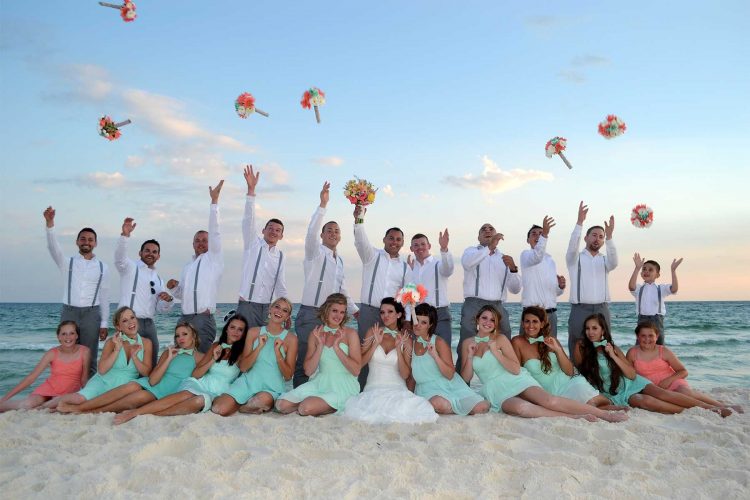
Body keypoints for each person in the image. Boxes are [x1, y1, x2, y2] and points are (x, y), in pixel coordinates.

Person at [461, 305, 625, 421]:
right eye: (484, 318)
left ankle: (603, 415)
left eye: (492, 320)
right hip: (494, 390)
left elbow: (516, 369)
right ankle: (575, 417)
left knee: (550, 401)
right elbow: (465, 377)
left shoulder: (501, 339)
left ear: (496, 324)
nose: (487, 322)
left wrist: (496, 352)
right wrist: (469, 356)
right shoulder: (467, 343)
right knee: (522, 409)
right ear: (477, 319)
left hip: (516, 380)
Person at [574, 314, 731, 415]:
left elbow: (631, 374)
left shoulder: (612, 347)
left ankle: (712, 409)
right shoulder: (580, 347)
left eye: (595, 328)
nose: (590, 332)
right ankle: (692, 411)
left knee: (664, 394)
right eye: (587, 328)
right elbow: (579, 374)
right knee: (646, 402)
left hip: (630, 382)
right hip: (613, 393)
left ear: (603, 330)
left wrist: (613, 356)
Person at [114, 315, 247, 424]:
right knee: (186, 394)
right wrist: (213, 358)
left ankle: (152, 413)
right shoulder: (216, 346)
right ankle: (135, 413)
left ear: (244, 334)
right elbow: (196, 374)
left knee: (199, 401)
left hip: (217, 391)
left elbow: (246, 372)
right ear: (226, 329)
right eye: (232, 327)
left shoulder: (243, 353)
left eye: (240, 330)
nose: (235, 332)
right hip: (200, 383)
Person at [57, 322, 202, 414]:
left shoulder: (199, 357)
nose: (180, 338)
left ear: (193, 336)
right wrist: (169, 358)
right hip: (153, 383)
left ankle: (86, 410)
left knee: (138, 398)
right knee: (131, 386)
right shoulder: (169, 352)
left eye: (184, 334)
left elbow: (198, 379)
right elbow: (152, 381)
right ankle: (82, 407)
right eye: (177, 335)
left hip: (168, 391)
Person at [294, 182, 358, 387]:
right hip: (310, 313)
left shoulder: (339, 260)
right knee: (306, 357)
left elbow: (343, 289)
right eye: (329, 230)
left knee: (326, 359)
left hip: (331, 318)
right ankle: (299, 394)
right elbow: (310, 233)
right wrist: (322, 205)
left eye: (337, 231)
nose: (333, 233)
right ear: (322, 235)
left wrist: (355, 310)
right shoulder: (314, 253)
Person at [339, 298, 438, 423]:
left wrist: (398, 348)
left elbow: (405, 374)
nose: (385, 315)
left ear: (399, 314)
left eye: (390, 312)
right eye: (382, 312)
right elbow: (359, 365)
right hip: (373, 389)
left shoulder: (406, 338)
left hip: (397, 389)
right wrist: (375, 344)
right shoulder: (373, 332)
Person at [512, 306, 624, 410]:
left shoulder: (551, 341)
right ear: (522, 323)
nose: (531, 325)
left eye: (535, 321)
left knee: (583, 391)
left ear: (542, 324)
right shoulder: (517, 342)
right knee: (587, 403)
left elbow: (570, 371)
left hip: (569, 382)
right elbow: (516, 372)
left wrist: (557, 350)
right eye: (527, 321)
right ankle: (603, 407)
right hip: (548, 391)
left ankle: (603, 404)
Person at [44, 206, 110, 376]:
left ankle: (87, 394)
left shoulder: (103, 267)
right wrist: (50, 224)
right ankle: (65, 387)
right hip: (69, 312)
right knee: (66, 352)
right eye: (83, 239)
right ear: (77, 242)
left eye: (90, 239)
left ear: (95, 243)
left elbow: (104, 296)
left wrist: (104, 323)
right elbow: (53, 248)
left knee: (90, 355)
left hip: (92, 314)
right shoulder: (67, 263)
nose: (86, 242)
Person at [626, 321, 741, 413]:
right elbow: (628, 374)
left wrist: (668, 380)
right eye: (643, 336)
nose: (647, 339)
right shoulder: (632, 353)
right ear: (637, 336)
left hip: (671, 382)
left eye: (651, 335)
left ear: (657, 336)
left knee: (684, 392)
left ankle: (720, 405)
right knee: (657, 400)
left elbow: (683, 371)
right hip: (650, 388)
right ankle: (700, 410)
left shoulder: (663, 351)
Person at [276, 294, 361, 416]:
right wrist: (320, 346)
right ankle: (313, 404)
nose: (338, 316)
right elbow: (309, 371)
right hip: (320, 382)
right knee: (281, 405)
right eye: (335, 311)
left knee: (305, 408)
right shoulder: (315, 334)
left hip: (342, 385)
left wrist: (337, 348)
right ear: (326, 310)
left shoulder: (350, 334)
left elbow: (356, 370)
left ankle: (323, 405)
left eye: (342, 312)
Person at [212, 298, 298, 416]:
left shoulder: (291, 339)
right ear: (270, 309)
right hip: (248, 382)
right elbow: (243, 368)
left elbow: (288, 376)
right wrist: (259, 347)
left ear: (288, 316)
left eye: (285, 310)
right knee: (219, 409)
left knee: (261, 401)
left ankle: (241, 406)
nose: (279, 311)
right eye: (277, 307)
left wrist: (278, 353)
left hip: (271, 389)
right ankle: (231, 400)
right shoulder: (253, 332)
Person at [353, 205, 408, 389]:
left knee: (392, 354)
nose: (394, 241)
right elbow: (360, 241)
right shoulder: (371, 256)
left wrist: (406, 319)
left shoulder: (405, 266)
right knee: (366, 352)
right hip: (369, 311)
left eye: (398, 239)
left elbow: (407, 295)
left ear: (402, 242)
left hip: (392, 316)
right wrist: (359, 218)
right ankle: (361, 392)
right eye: (391, 238)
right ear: (384, 239)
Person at [166, 180, 225, 353]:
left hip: (202, 318)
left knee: (200, 358)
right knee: (181, 357)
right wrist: (174, 288)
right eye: (197, 240)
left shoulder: (214, 259)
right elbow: (183, 295)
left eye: (204, 240)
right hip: (184, 318)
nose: (201, 243)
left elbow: (215, 231)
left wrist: (214, 203)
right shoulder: (188, 266)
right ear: (192, 244)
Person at [56, 306, 152, 406]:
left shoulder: (146, 343)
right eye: (125, 320)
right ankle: (46, 406)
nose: (130, 322)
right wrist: (117, 350)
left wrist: (134, 357)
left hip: (123, 388)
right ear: (118, 327)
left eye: (132, 318)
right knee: (79, 399)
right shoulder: (112, 342)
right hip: (103, 381)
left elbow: (146, 373)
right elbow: (102, 370)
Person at [457, 222, 521, 371]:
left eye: (491, 228)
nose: (487, 230)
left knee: (505, 339)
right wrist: (489, 247)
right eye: (483, 229)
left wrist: (513, 269)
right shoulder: (471, 251)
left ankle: (506, 381)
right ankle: (462, 384)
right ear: (478, 237)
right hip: (474, 303)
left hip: (498, 305)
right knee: (466, 341)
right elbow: (467, 264)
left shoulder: (504, 258)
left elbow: (515, 289)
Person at [406, 303, 489, 416]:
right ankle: (458, 409)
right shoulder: (411, 343)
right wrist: (408, 397)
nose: (418, 325)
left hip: (449, 386)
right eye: (417, 320)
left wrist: (435, 356)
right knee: (438, 402)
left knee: (483, 406)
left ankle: (456, 408)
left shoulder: (439, 342)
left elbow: (450, 374)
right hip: (427, 391)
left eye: (424, 322)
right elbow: (411, 377)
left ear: (430, 325)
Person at [115, 216, 174, 367]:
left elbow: (161, 309)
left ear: (158, 256)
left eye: (154, 252)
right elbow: (119, 259)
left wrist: (168, 300)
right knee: (128, 362)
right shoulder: (130, 267)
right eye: (147, 250)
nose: (150, 253)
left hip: (150, 324)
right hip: (131, 322)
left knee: (151, 361)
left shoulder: (158, 279)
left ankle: (145, 389)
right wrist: (125, 236)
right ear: (140, 253)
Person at [236, 165, 288, 328]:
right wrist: (251, 191)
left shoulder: (280, 256)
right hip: (248, 306)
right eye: (270, 228)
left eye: (277, 230)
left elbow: (280, 284)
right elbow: (248, 220)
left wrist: (286, 310)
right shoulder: (253, 244)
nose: (273, 232)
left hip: (268, 309)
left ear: (281, 236)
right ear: (263, 230)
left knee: (262, 348)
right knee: (243, 347)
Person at [0, 321, 90, 412]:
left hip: (67, 393)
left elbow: (84, 379)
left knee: (56, 406)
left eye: (72, 333)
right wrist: (5, 397)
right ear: (58, 337)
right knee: (27, 404)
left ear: (77, 336)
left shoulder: (84, 351)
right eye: (64, 334)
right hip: (48, 388)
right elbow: (31, 378)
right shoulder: (52, 353)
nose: (68, 337)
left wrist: (88, 396)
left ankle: (44, 407)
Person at [566, 201, 618, 356]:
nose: (597, 239)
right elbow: (572, 246)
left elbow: (615, 262)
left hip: (602, 308)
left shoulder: (605, 260)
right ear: (586, 238)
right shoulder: (575, 259)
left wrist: (609, 237)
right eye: (594, 235)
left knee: (604, 344)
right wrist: (579, 223)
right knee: (577, 344)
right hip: (580, 309)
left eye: (601, 237)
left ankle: (602, 375)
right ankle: (576, 375)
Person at [406, 230, 454, 347]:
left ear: (429, 246)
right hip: (418, 316)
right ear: (411, 248)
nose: (420, 247)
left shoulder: (438, 263)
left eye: (423, 244)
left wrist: (444, 249)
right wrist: (408, 319)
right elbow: (409, 297)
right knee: (421, 354)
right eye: (416, 245)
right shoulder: (410, 269)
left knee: (444, 352)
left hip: (440, 315)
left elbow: (448, 270)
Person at [520, 216, 566, 337]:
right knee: (527, 352)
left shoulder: (550, 261)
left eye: (540, 233)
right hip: (531, 314)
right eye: (534, 234)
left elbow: (554, 292)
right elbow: (537, 257)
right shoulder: (526, 255)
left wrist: (560, 287)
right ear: (528, 240)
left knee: (550, 353)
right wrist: (545, 234)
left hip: (550, 315)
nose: (538, 236)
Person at [628, 253, 682, 344]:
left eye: (650, 270)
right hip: (642, 320)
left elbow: (674, 289)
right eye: (644, 269)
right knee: (640, 344)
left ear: (657, 275)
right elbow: (631, 287)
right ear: (641, 273)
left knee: (659, 345)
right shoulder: (639, 288)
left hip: (657, 320)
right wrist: (637, 268)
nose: (646, 271)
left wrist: (673, 271)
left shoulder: (661, 288)